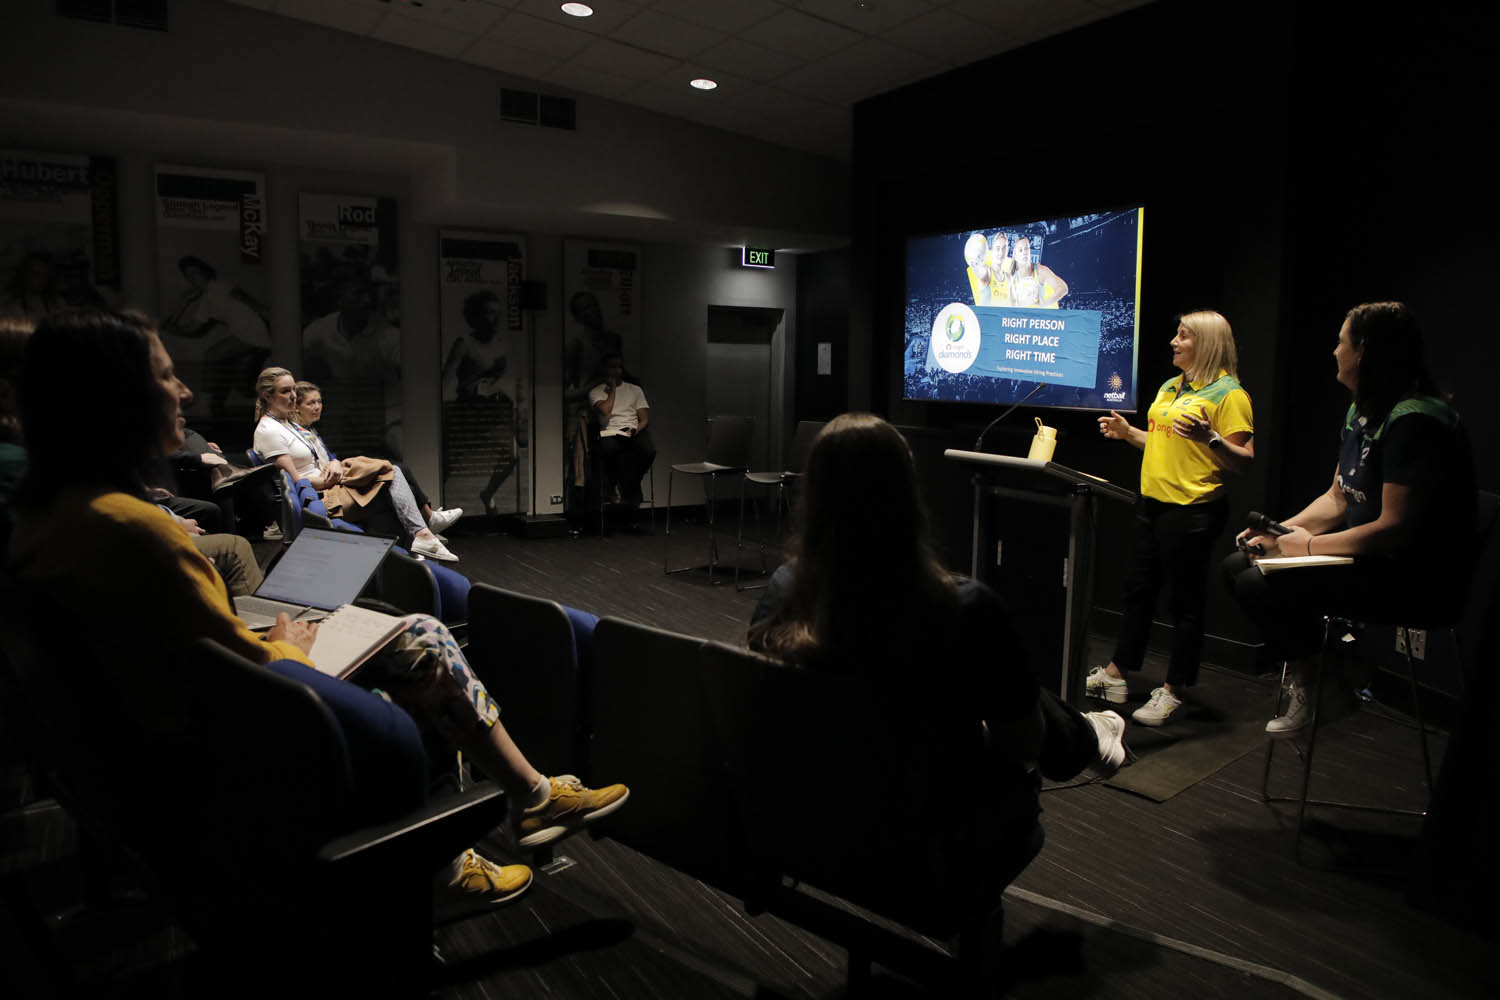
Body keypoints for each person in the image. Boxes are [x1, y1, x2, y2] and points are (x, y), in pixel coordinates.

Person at [8, 307, 629, 915]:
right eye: (167, 375)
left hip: (138, 765)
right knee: (419, 636)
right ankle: (505, 817)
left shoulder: (48, 521)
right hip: (222, 755)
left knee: (389, 619)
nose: (184, 389)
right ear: (116, 399)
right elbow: (237, 668)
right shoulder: (134, 531)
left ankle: (512, 810)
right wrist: (289, 647)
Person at [748, 415, 1126, 827]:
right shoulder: (961, 605)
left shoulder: (784, 589)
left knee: (996, 679)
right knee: (1003, 681)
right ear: (906, 494)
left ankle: (1086, 733)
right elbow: (1023, 745)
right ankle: (1086, 737)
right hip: (933, 840)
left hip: (814, 817)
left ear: (814, 492)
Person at [1225, 302, 1476, 733]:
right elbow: (1338, 498)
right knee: (1239, 563)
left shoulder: (1414, 421)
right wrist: (1279, 531)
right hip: (1369, 561)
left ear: (1364, 352)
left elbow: (1394, 529)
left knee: (1258, 583)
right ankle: (1334, 673)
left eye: (1341, 342)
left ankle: (1323, 683)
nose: (1333, 351)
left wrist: (1304, 546)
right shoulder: (1362, 411)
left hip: (1415, 577)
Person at [1091, 311, 1255, 725]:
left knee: (1184, 603)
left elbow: (1243, 461)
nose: (1173, 342)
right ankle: (1117, 674)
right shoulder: (1171, 386)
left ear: (1207, 343)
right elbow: (1164, 442)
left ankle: (1173, 689)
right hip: (1153, 504)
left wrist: (1211, 438)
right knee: (1138, 592)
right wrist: (1129, 434)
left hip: (1194, 511)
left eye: (1183, 336)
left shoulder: (1229, 395)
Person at [253, 367, 458, 561]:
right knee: (391, 479)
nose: (292, 395)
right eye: (285, 391)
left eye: (292, 390)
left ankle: (416, 544)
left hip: (329, 484)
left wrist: (333, 464)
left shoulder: (286, 424)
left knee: (392, 474)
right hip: (320, 496)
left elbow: (318, 457)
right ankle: (419, 539)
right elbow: (295, 483)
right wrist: (328, 481)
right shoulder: (269, 430)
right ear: (268, 396)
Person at [295, 380, 460, 536]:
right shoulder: (298, 435)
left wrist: (335, 461)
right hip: (331, 488)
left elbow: (330, 456)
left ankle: (427, 520)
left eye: (319, 401)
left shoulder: (311, 431)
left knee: (399, 469)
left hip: (336, 477)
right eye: (311, 403)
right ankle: (428, 520)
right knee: (395, 472)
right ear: (296, 407)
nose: (317, 407)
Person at [302, 268, 402, 459]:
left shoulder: (388, 336)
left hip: (385, 418)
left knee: (404, 446)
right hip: (340, 419)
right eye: (358, 294)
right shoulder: (320, 331)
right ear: (340, 299)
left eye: (368, 294)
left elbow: (415, 375)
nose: (366, 300)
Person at [440, 290, 522, 515]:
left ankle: (488, 493)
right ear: (476, 316)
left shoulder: (501, 343)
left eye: (497, 313)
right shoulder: (464, 343)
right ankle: (432, 508)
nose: (493, 318)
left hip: (492, 410)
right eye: (487, 313)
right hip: (468, 410)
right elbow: (447, 376)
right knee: (449, 462)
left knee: (511, 455)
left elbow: (505, 375)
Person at [588, 352, 655, 511]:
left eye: (619, 366)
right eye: (612, 367)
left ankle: (631, 484)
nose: (617, 371)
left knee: (649, 450)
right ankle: (616, 485)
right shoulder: (596, 392)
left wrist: (635, 430)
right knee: (611, 450)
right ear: (604, 369)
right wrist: (612, 390)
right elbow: (605, 410)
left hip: (632, 430)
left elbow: (644, 419)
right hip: (610, 431)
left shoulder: (635, 389)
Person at [1008, 237, 1069, 309]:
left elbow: (1063, 288)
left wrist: (1044, 304)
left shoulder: (1040, 271)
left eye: (1026, 248)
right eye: (1020, 250)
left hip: (1037, 316)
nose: (1024, 252)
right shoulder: (1011, 275)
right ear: (1015, 255)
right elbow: (1011, 303)